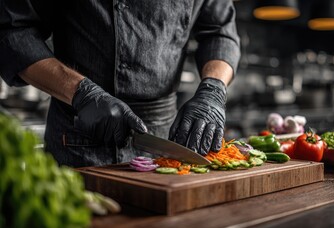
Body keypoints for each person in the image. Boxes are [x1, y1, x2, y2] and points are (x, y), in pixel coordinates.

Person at [0, 0, 240, 167]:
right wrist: (82, 93)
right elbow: (12, 31)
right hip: (78, 137)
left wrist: (213, 89)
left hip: (164, 142)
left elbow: (220, 30)